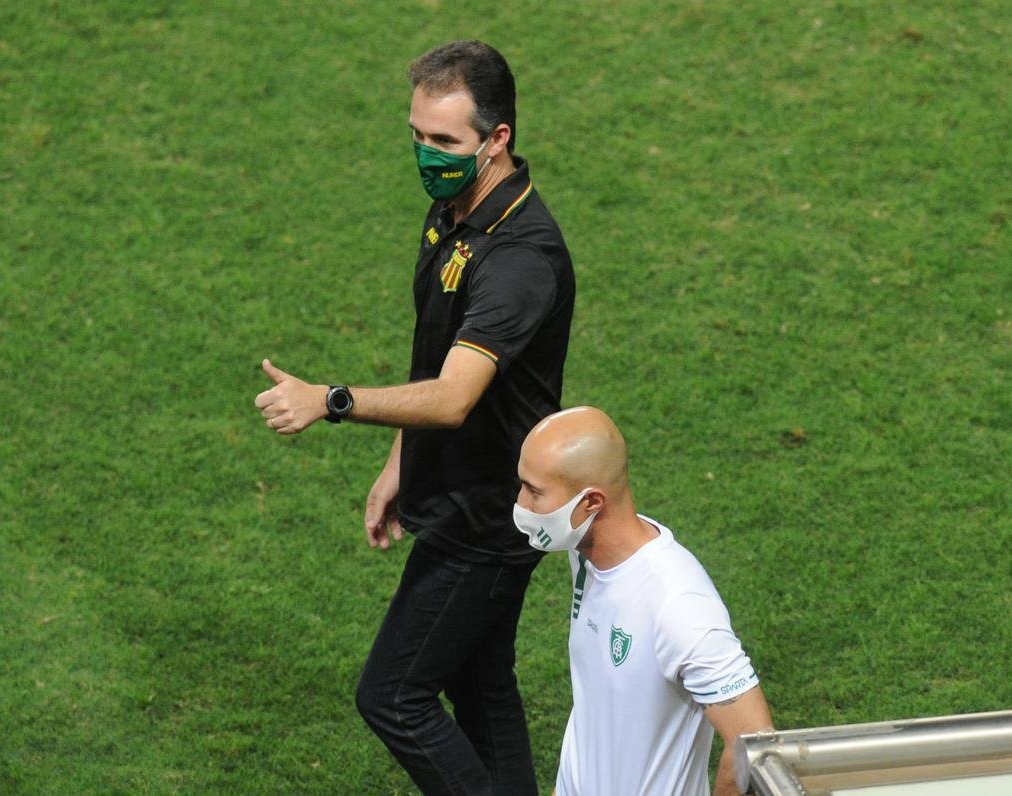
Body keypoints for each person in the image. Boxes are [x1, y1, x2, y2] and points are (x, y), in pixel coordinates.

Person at [254, 41, 575, 795]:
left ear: (498, 139)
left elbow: (457, 393)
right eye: (418, 137)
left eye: (445, 143)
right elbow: (435, 348)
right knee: (480, 682)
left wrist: (330, 400)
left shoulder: (520, 257)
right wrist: (402, 460)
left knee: (393, 697)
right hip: (462, 490)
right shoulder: (454, 210)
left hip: (492, 513)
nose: (427, 157)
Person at [513, 407, 774, 796]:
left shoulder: (678, 605)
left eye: (534, 491)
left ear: (591, 503)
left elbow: (755, 744)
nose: (521, 503)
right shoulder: (585, 552)